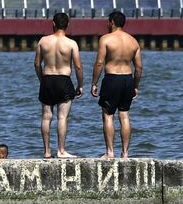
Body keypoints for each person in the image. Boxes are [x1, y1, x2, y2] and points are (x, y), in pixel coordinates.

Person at [90, 11, 142, 159]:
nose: (107, 24)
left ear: (112, 22)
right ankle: (125, 153)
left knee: (108, 115)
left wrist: (94, 83)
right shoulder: (133, 41)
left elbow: (99, 63)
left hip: (112, 79)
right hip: (127, 79)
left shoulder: (106, 39)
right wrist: (135, 86)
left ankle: (110, 152)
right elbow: (139, 68)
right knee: (124, 115)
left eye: (108, 21)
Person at [35, 12, 84, 158]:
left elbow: (37, 64)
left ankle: (47, 152)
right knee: (62, 117)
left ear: (53, 23)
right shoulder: (71, 43)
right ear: (67, 25)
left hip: (47, 79)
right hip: (64, 80)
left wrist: (42, 80)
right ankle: (61, 151)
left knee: (46, 117)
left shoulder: (43, 41)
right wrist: (80, 85)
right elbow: (78, 67)